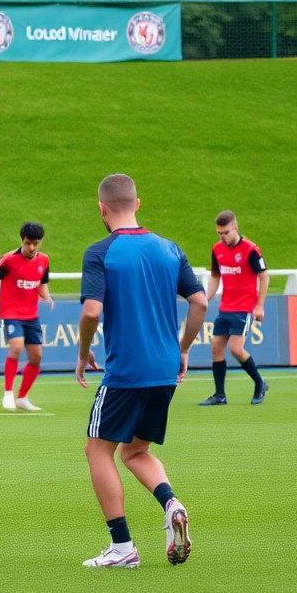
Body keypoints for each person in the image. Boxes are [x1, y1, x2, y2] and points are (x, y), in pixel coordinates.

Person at [75, 174, 207, 568]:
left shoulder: (101, 252)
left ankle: (122, 547)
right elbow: (199, 303)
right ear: (138, 202)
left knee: (97, 449)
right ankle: (172, 504)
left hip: (126, 372)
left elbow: (91, 311)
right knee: (136, 451)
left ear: (101, 208)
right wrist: (182, 349)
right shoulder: (169, 248)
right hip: (165, 370)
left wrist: (83, 353)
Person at [0, 222, 54, 411]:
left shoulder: (44, 261)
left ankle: (22, 398)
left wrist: (47, 296)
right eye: (28, 243)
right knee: (17, 346)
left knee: (36, 357)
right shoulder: (8, 260)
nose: (31, 248)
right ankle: (8, 394)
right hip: (11, 312)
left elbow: (42, 283)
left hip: (32, 315)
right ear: (22, 240)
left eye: (35, 243)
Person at [200, 210, 269, 406]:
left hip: (245, 307)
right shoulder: (217, 249)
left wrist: (260, 306)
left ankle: (260, 383)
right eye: (219, 233)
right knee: (216, 348)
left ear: (236, 228)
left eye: (226, 233)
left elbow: (264, 277)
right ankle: (220, 395)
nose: (223, 237)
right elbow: (215, 277)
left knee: (236, 349)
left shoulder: (250, 249)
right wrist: (205, 298)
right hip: (226, 307)